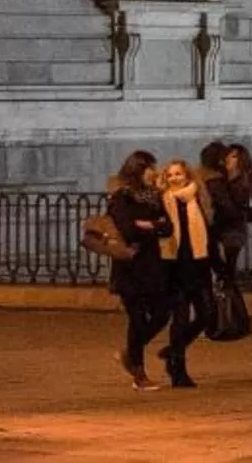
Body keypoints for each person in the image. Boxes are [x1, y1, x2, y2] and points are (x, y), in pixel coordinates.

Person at [104, 151, 170, 390]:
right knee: (137, 317)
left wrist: (147, 225)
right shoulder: (122, 197)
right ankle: (139, 374)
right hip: (130, 266)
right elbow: (128, 229)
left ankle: (130, 353)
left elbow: (168, 227)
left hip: (152, 263)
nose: (155, 172)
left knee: (162, 313)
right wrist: (153, 226)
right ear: (138, 170)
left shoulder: (154, 196)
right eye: (151, 168)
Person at [155, 157, 219, 387]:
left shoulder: (197, 199)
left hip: (198, 264)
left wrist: (218, 265)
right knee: (180, 317)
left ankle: (173, 350)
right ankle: (178, 368)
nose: (174, 178)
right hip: (173, 265)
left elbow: (209, 233)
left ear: (187, 176)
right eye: (170, 175)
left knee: (206, 314)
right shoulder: (162, 200)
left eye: (178, 174)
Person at [198, 141, 251, 289]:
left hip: (222, 231)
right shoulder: (215, 180)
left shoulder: (206, 177)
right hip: (222, 230)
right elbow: (227, 207)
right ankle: (230, 301)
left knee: (223, 271)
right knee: (225, 273)